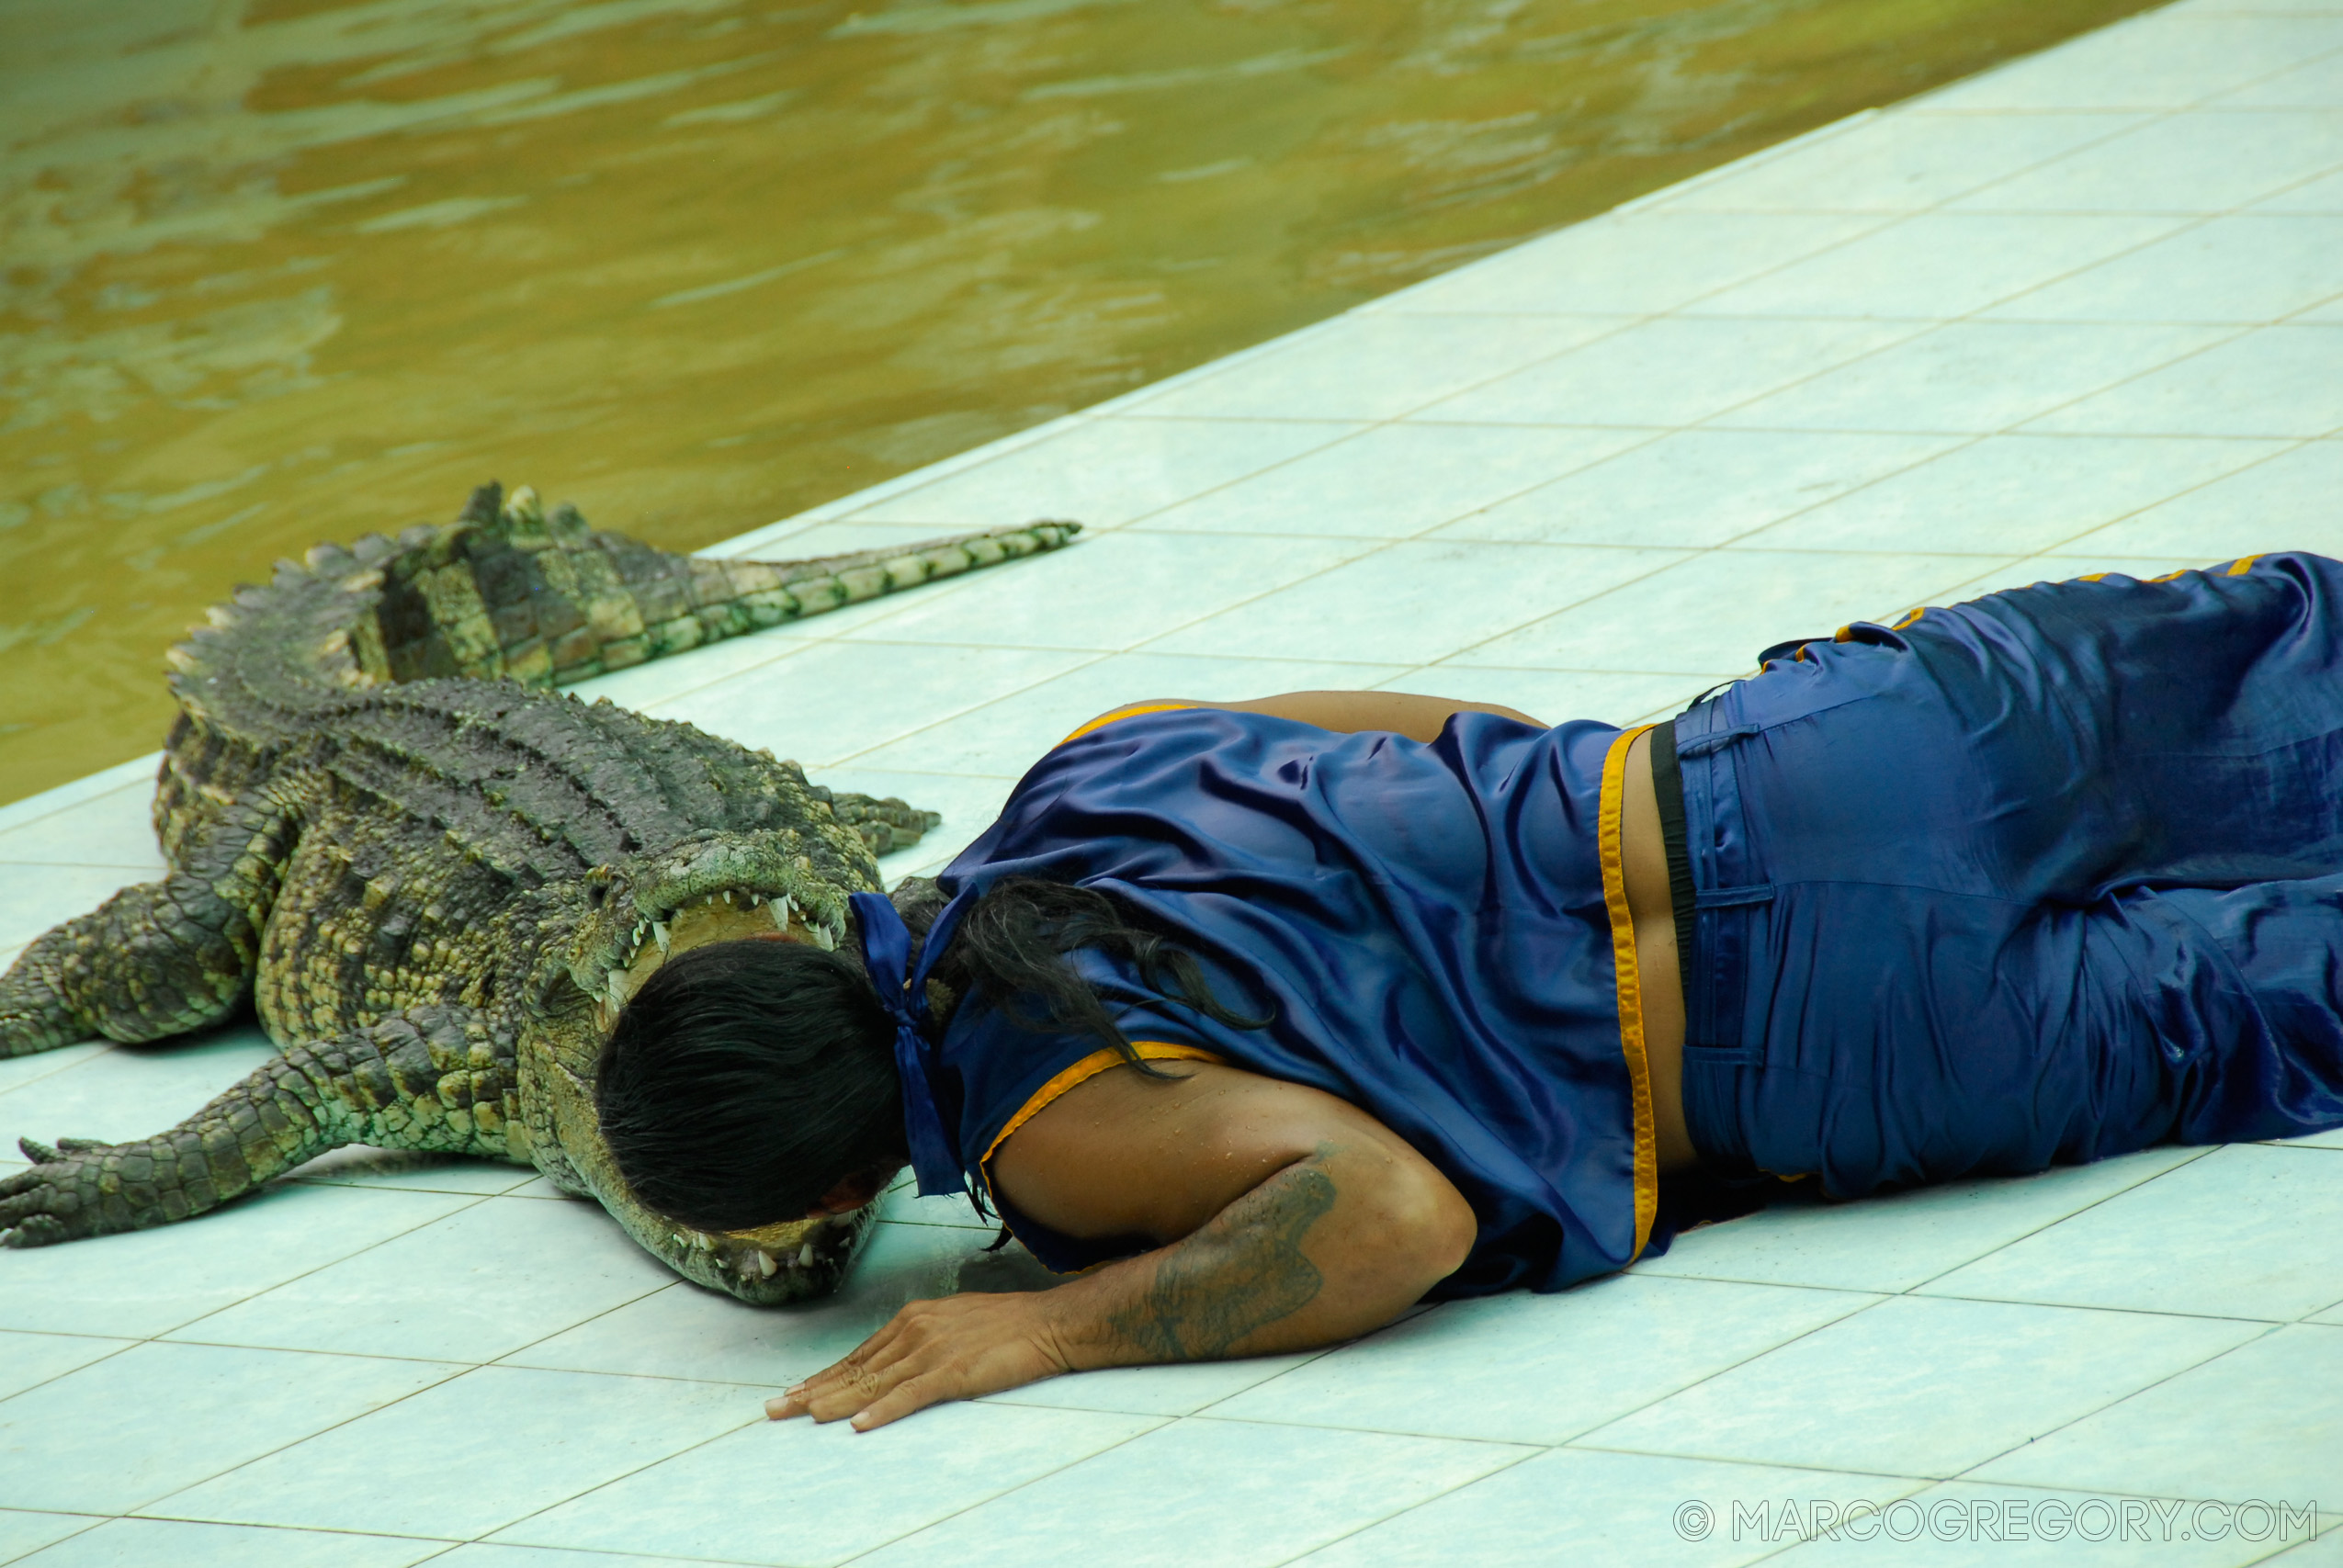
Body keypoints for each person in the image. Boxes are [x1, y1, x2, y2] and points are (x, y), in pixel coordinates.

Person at [594, 552, 2343, 1431]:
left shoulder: (1052, 1135)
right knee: (2294, 660)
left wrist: (1049, 1321)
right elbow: (1442, 735)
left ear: (827, 1193)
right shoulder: (1092, 763)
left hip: (1824, 1053)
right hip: (1806, 765)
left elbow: (1388, 1215)